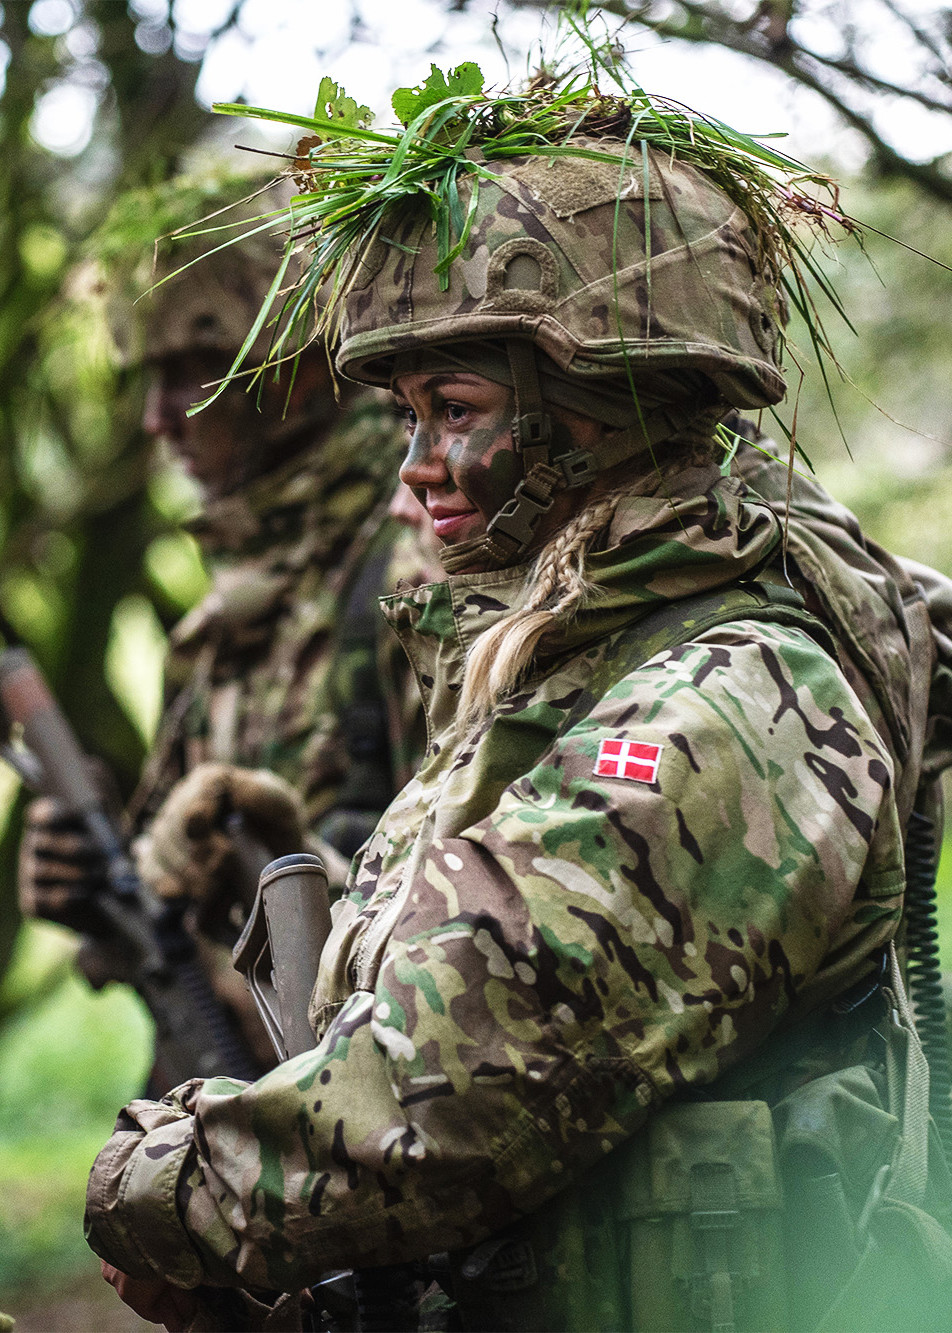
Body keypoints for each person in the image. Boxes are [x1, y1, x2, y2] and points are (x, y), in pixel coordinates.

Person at [82, 75, 952, 1332]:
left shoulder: (728, 695)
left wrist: (154, 1187)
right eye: (403, 416)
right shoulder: (562, 658)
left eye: (456, 411)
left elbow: (455, 1090)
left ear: (607, 404)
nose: (417, 470)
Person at [18, 172, 431, 1076]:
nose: (159, 420)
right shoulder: (227, 616)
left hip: (372, 1121)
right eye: (148, 379)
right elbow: (182, 917)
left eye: (189, 374)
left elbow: (473, 926)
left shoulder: (413, 570)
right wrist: (98, 890)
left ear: (295, 367)